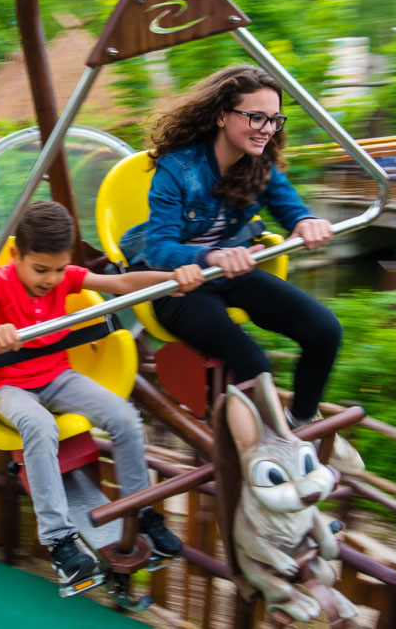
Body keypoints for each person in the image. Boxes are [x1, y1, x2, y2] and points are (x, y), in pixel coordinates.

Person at [118, 64, 361, 471]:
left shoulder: (258, 166)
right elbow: (159, 248)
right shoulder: (179, 168)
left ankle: (302, 421)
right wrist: (209, 257)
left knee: (324, 330)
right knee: (253, 363)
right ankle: (267, 454)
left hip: (227, 273)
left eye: (274, 118)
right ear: (222, 116)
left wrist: (306, 222)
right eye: (255, 117)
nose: (266, 128)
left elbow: (291, 209)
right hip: (177, 283)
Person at [0, 200, 204, 585]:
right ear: (16, 255)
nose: (51, 279)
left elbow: (121, 283)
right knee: (41, 427)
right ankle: (60, 542)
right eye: (40, 269)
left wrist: (171, 279)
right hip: (8, 385)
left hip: (58, 376)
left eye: (59, 269)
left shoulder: (64, 277)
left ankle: (141, 512)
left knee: (125, 417)